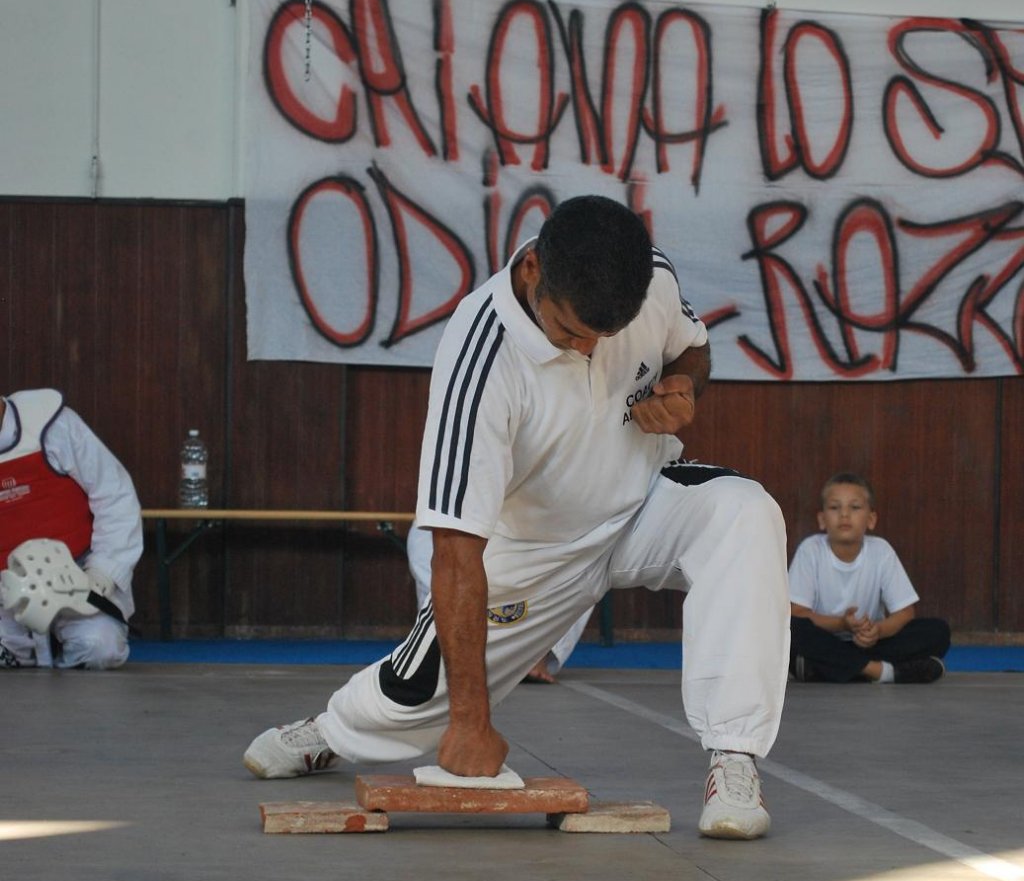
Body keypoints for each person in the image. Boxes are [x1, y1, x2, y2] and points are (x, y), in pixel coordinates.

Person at [245, 196, 790, 839]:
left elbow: (692, 351)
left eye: (603, 337)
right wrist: (471, 724)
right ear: (532, 269)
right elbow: (454, 548)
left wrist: (684, 389)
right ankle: (332, 732)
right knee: (413, 697)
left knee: (747, 513)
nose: (586, 347)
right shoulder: (480, 357)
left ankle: (734, 761)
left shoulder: (651, 280)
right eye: (570, 331)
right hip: (533, 551)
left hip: (642, 504)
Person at [0, 389, 142, 668]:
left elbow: (115, 495)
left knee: (101, 649)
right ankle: (19, 648)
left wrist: (102, 573)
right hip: (6, 592)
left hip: (74, 578)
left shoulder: (52, 425)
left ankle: (60, 641)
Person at [788, 473, 950, 684]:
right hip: (823, 639)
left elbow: (905, 612)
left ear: (871, 519)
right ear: (821, 519)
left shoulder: (881, 551)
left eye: (854, 508)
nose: (844, 515)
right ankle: (880, 672)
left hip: (867, 644)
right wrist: (841, 624)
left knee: (937, 631)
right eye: (835, 508)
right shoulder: (811, 550)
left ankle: (831, 668)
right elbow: (797, 612)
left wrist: (878, 631)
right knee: (792, 629)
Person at [405, 517, 591, 683]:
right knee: (432, 533)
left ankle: (538, 653)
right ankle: (449, 650)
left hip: (540, 508)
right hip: (467, 506)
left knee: (588, 545)